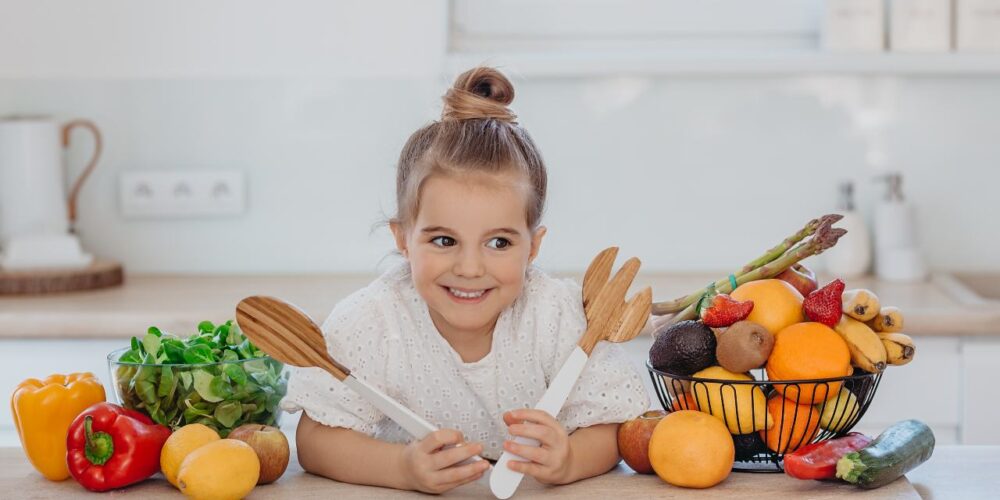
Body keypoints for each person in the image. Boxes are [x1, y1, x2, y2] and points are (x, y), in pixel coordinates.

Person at [281, 66, 649, 494]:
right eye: (443, 240)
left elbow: (610, 427)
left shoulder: (557, 316)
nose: (470, 268)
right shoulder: (372, 322)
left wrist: (569, 459)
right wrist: (401, 468)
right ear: (402, 238)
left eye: (498, 243)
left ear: (533, 247)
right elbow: (315, 440)